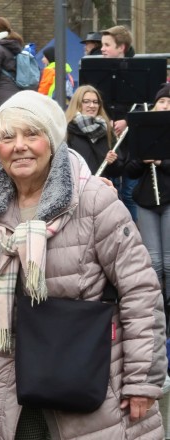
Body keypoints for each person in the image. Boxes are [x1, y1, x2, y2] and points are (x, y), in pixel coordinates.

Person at [0, 90, 166, 439]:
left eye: (32, 134)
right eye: (7, 137)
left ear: (53, 141)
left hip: (95, 390)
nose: (19, 146)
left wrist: (142, 381)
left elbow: (140, 293)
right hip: (13, 392)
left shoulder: (93, 201)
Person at [125, 83, 170, 302]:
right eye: (162, 101)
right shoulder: (143, 131)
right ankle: (156, 312)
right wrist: (142, 159)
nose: (165, 105)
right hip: (146, 200)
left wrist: (161, 161)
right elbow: (130, 171)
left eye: (169, 102)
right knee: (154, 261)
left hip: (169, 200)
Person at [100, 24, 138, 221]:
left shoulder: (138, 72)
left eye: (107, 45)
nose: (102, 49)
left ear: (121, 47)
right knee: (111, 191)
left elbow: (146, 106)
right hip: (110, 138)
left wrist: (126, 121)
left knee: (130, 193)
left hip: (132, 141)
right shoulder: (99, 72)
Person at [65, 85, 122, 179]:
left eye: (95, 102)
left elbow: (118, 171)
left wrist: (112, 162)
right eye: (86, 102)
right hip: (76, 188)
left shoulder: (107, 130)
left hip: (101, 188)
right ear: (77, 103)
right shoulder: (66, 130)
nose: (92, 106)